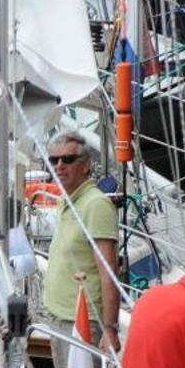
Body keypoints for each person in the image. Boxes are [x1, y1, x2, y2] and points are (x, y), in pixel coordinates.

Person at [40, 129, 121, 353]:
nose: (59, 166)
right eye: (54, 160)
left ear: (85, 165)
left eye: (68, 159)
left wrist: (110, 329)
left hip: (82, 323)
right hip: (60, 318)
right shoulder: (67, 200)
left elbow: (108, 272)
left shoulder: (96, 205)